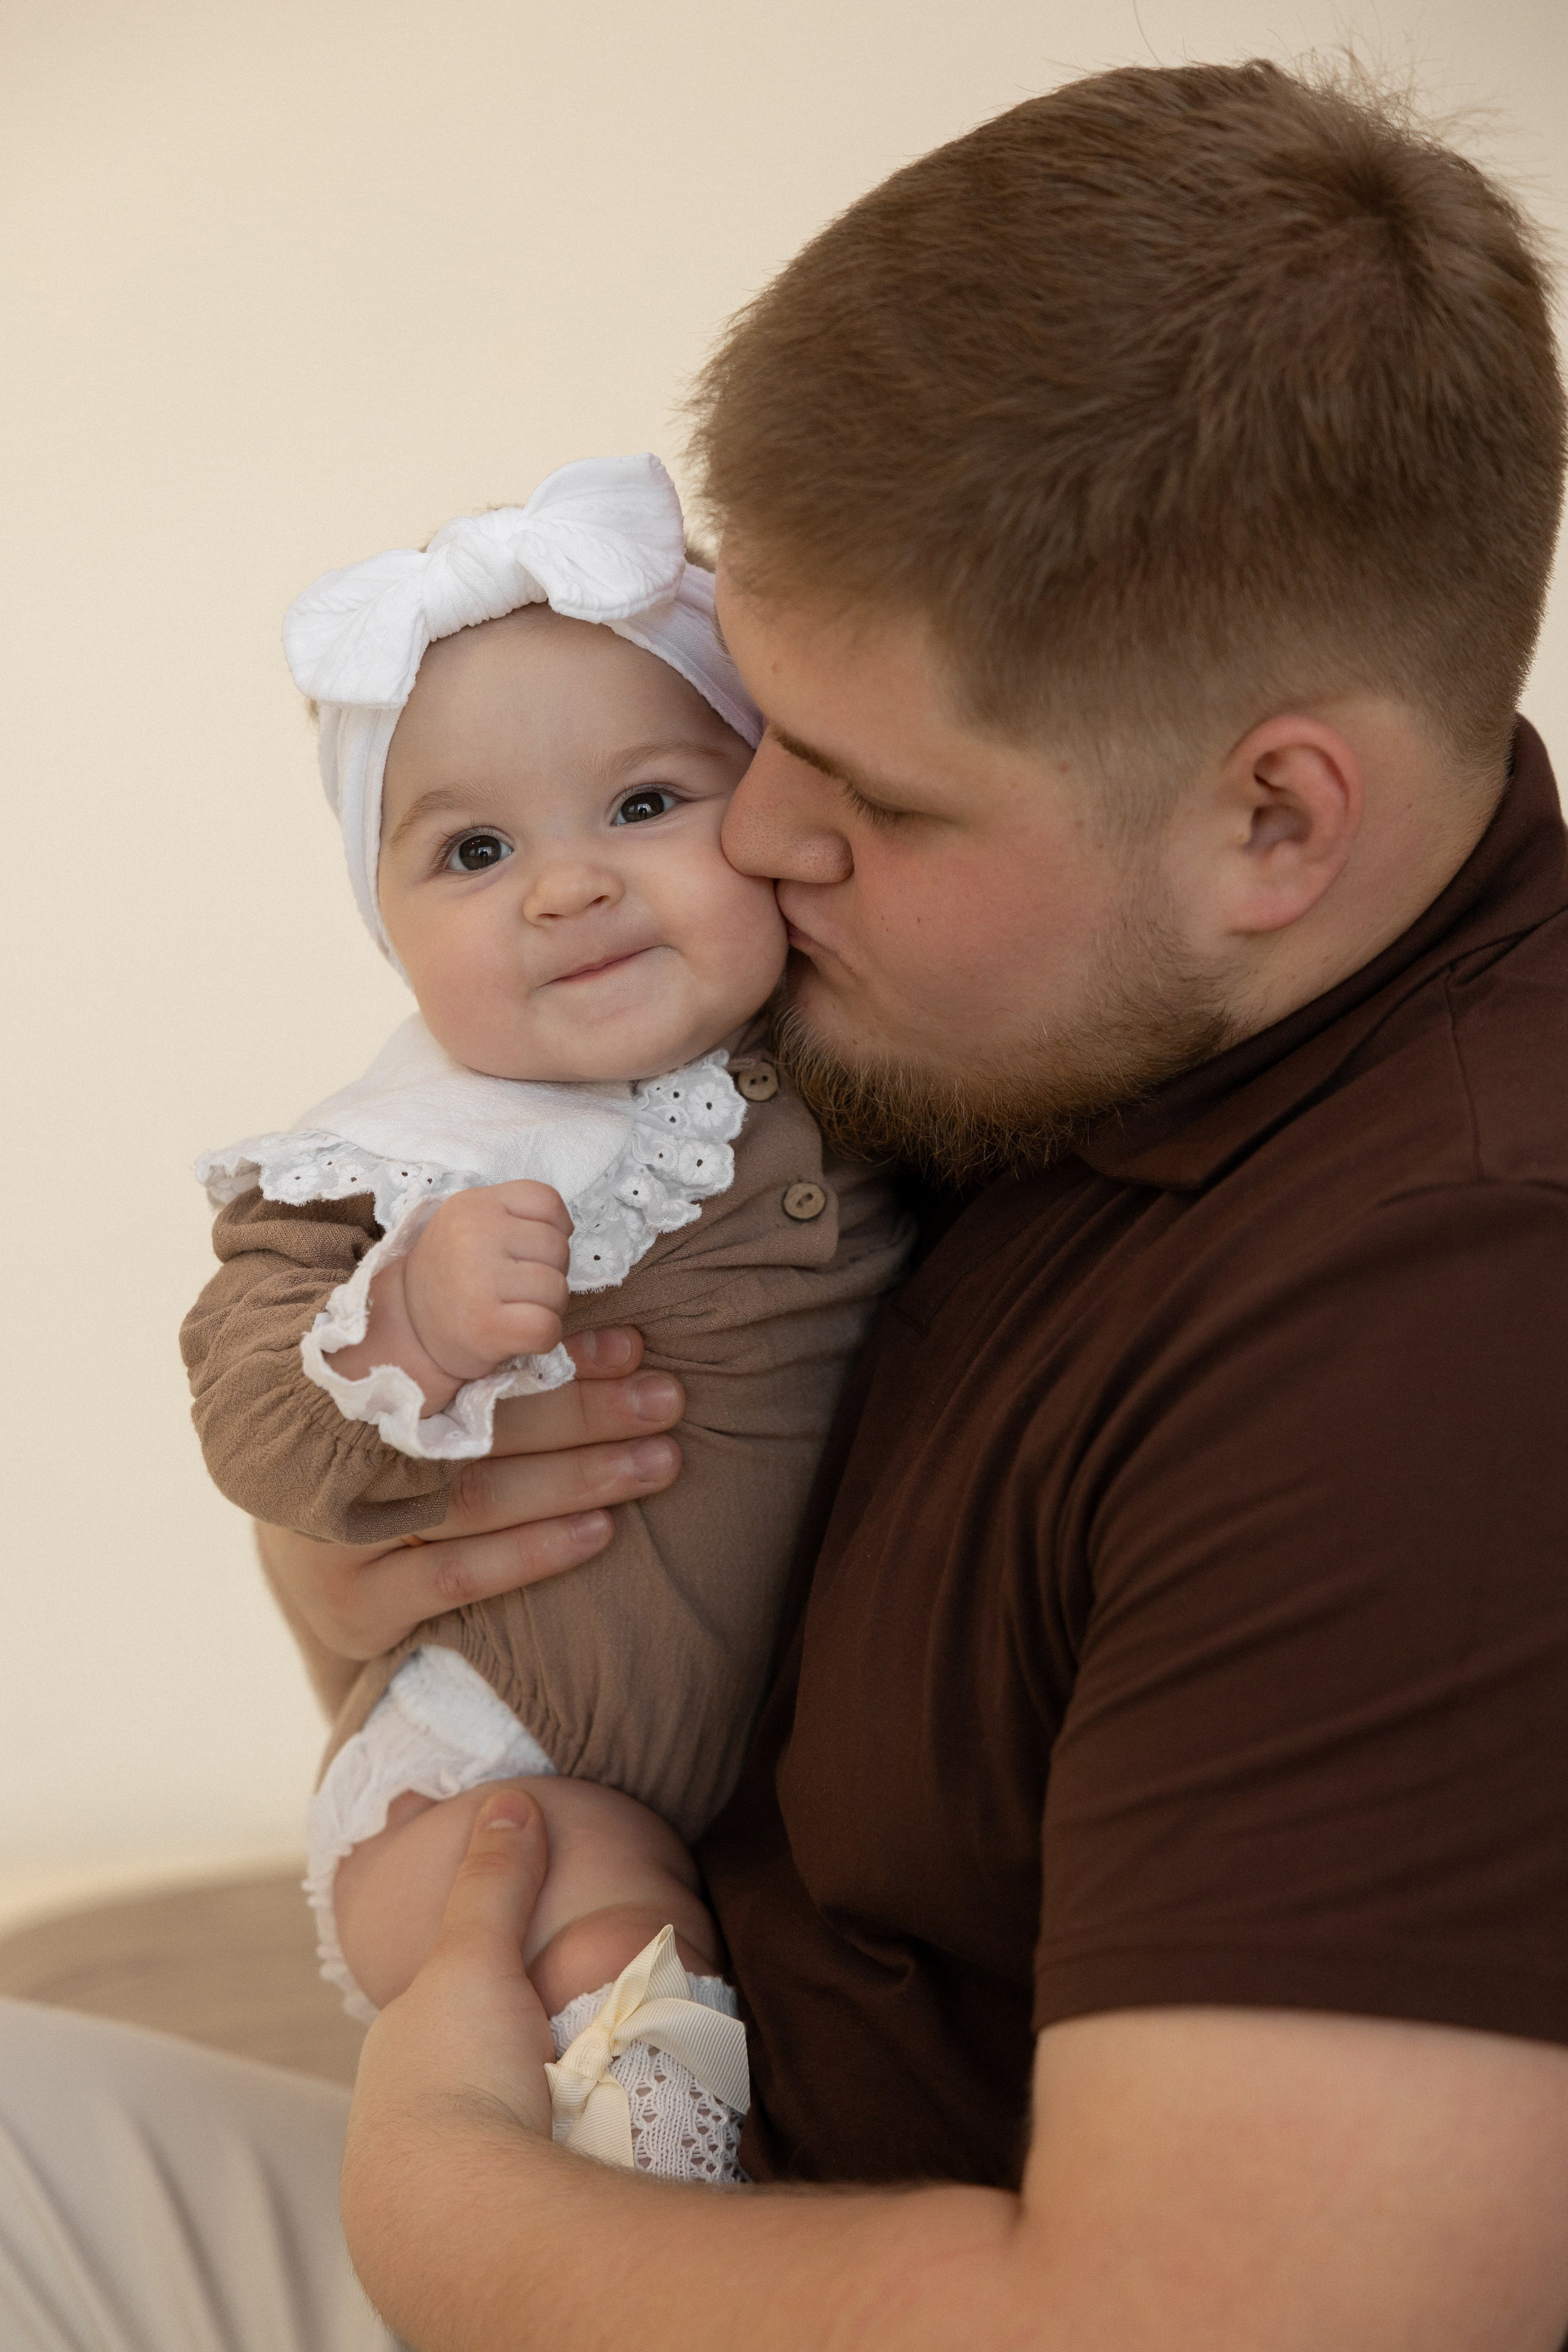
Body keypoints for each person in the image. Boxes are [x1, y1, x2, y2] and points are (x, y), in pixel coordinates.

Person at [4, 53, 1568, 2352]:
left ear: (1275, 821)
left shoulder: (1452, 1334)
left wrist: (455, 2215)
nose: (741, 847)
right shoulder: (1020, 1021)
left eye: (873, 800)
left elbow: (1220, 2323)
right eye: (755, 733)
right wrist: (360, 1546)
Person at [179, 451, 910, 2181]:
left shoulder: (871, 1058)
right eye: (476, 849)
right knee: (590, 1900)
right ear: (390, 927)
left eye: (647, 804)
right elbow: (249, 1413)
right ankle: (647, 2212)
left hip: (755, 1785)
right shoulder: (390, 1164)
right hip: (477, 1767)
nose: (564, 887)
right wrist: (414, 1325)